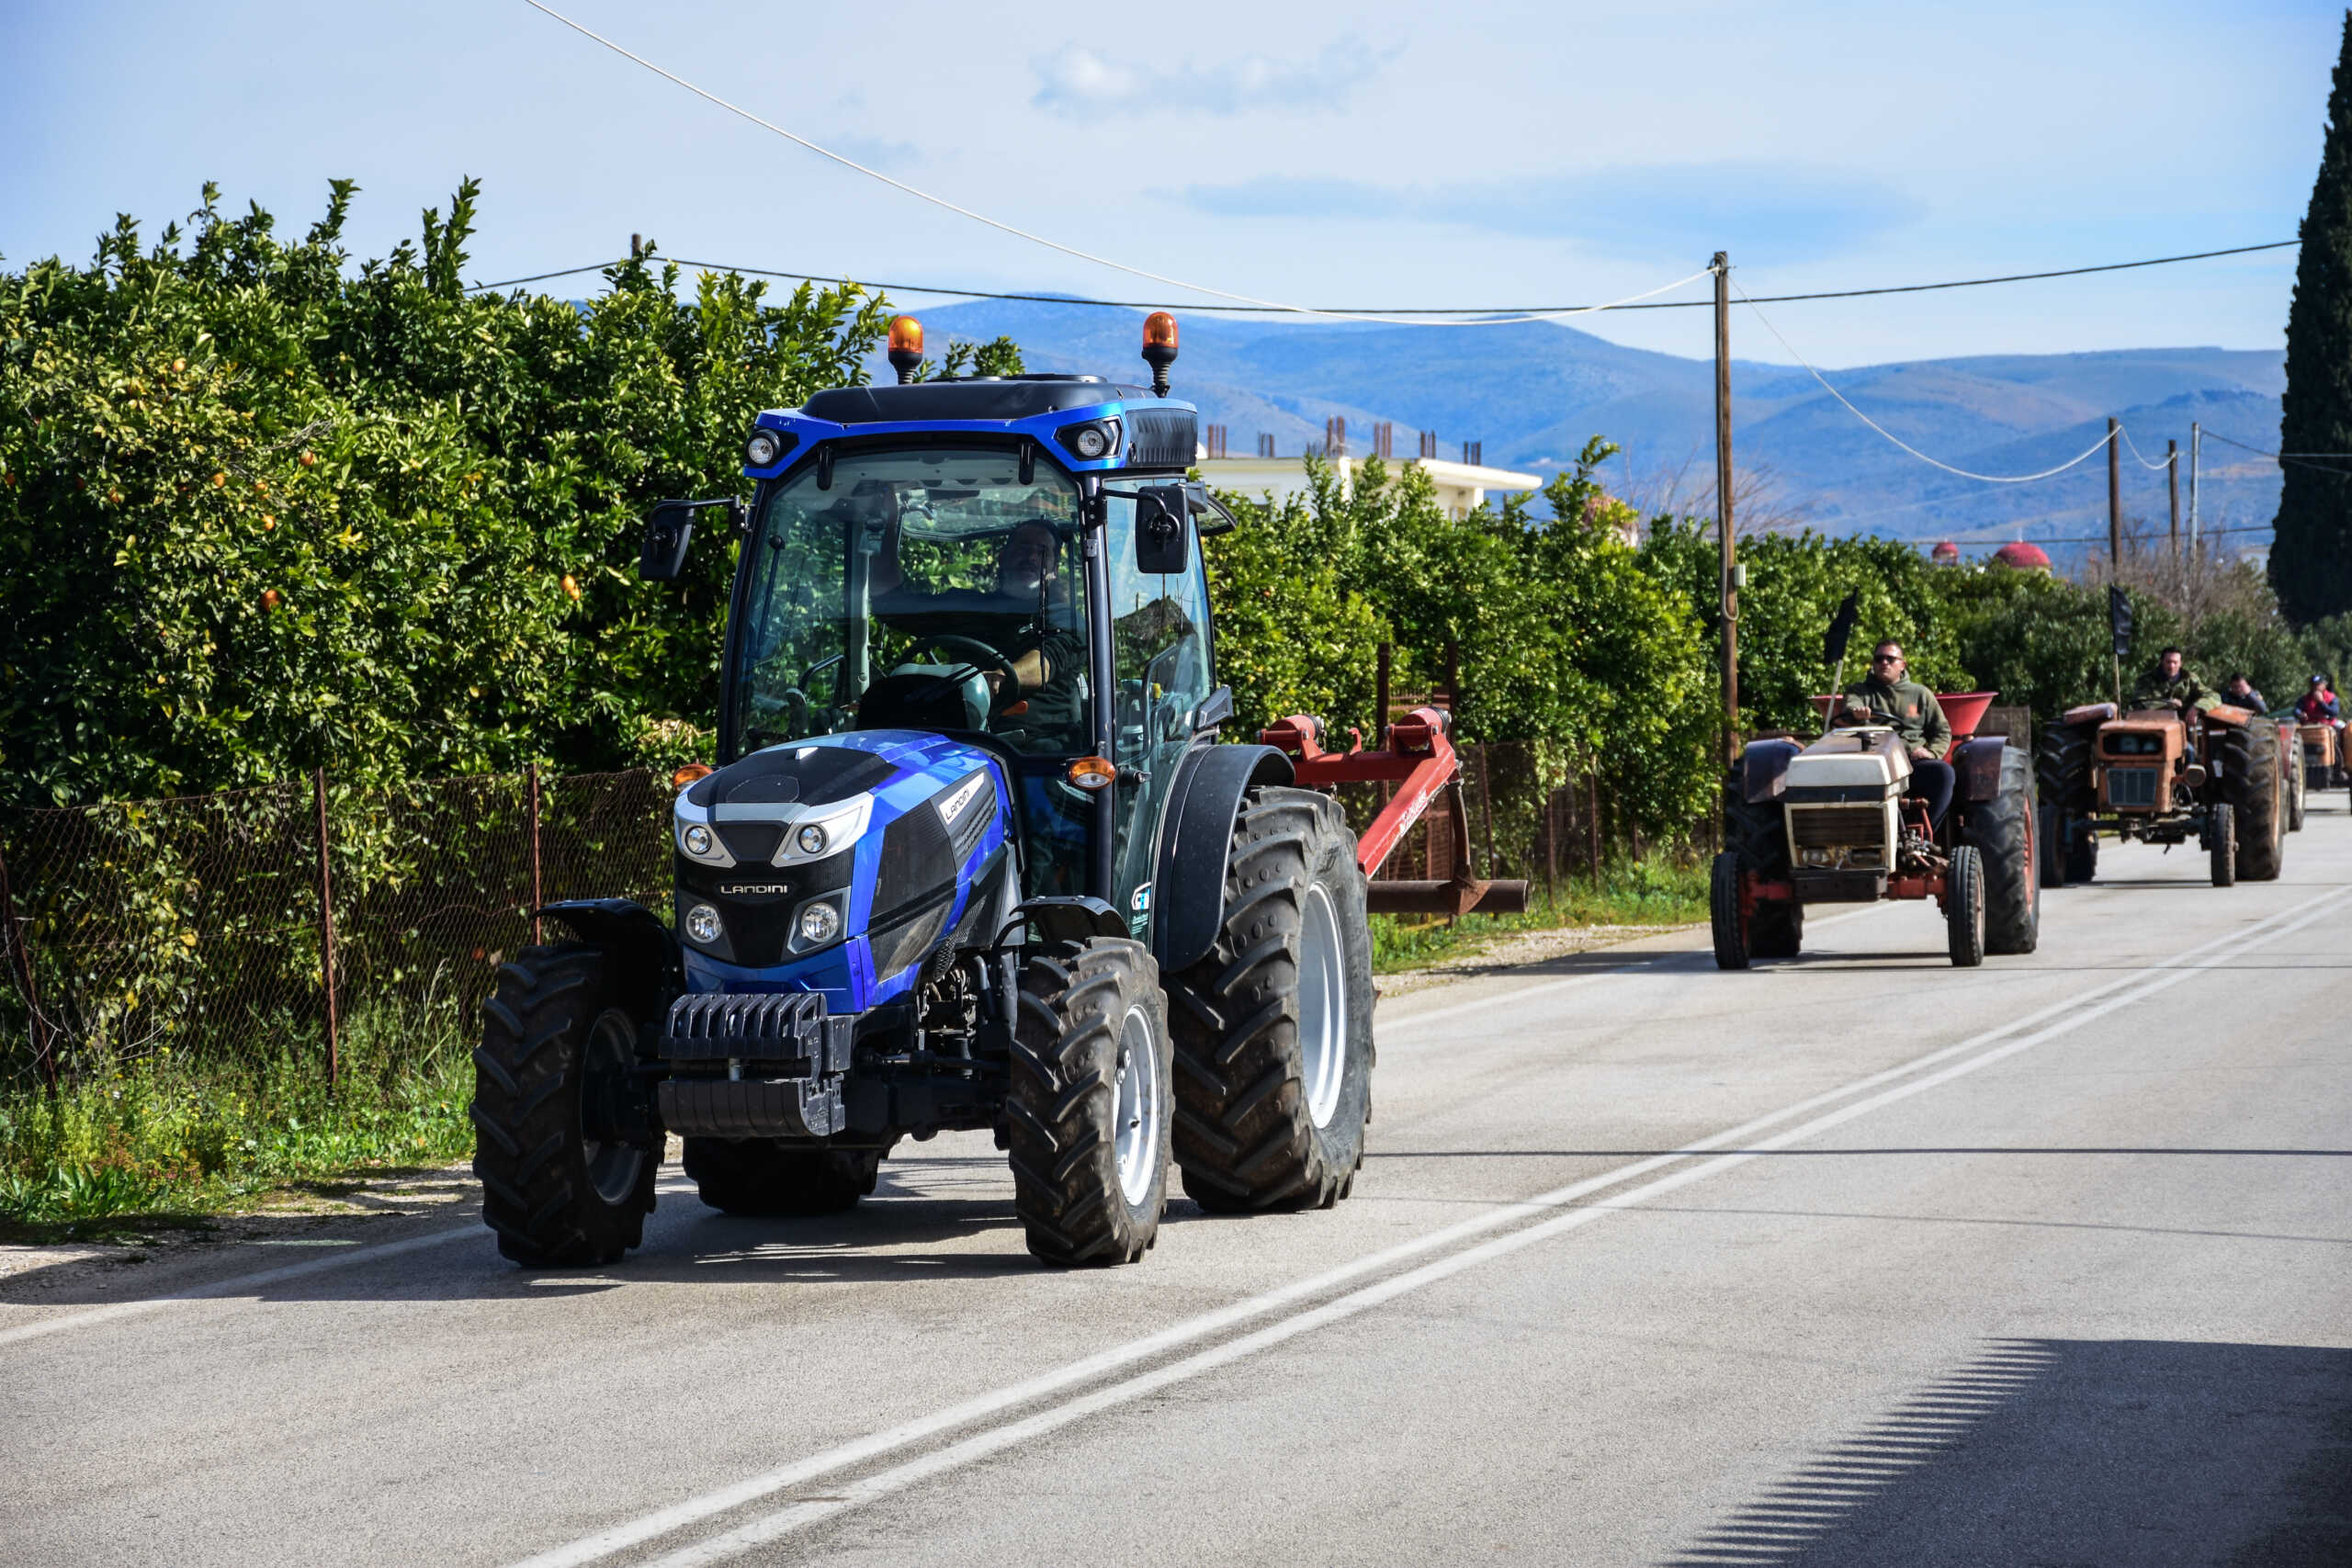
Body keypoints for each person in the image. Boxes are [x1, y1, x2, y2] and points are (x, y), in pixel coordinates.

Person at [1837, 639, 1955, 829]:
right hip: (1870, 761)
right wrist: (1856, 713)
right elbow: (1850, 706)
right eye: (1879, 658)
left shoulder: (1921, 694)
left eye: (1891, 659)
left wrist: (1932, 753)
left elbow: (1942, 731)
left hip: (1910, 762)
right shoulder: (1859, 691)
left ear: (1902, 665)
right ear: (1873, 663)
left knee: (1943, 774)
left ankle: (1925, 836)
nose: (1884, 663)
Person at [2130, 647, 2217, 714]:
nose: (2171, 666)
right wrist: (2168, 704)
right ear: (2162, 662)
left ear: (2180, 663)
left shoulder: (2189, 679)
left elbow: (2214, 696)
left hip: (2183, 724)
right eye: (2168, 662)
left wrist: (2198, 707)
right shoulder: (2146, 679)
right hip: (2155, 724)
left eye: (2175, 662)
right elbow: (2138, 704)